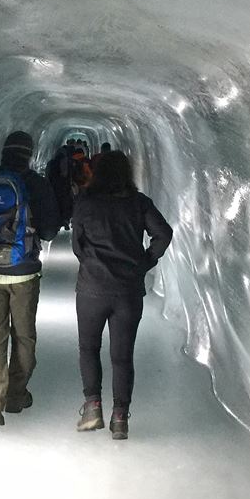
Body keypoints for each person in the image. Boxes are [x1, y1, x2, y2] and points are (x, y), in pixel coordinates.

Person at [71, 151, 172, 439]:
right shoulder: (139, 204)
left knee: (88, 349)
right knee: (122, 357)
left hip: (91, 289)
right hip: (128, 290)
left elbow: (78, 245)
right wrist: (144, 262)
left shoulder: (86, 202)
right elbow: (163, 234)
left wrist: (91, 262)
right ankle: (119, 418)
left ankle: (92, 409)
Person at [0, 131, 60, 426]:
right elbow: (49, 231)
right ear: (29, 154)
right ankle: (16, 396)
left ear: (4, 151)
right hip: (24, 273)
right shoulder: (36, 184)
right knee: (24, 335)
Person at [46, 142, 75, 228]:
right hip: (64, 187)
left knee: (56, 204)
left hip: (54, 187)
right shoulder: (67, 162)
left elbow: (47, 175)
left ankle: (57, 222)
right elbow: (68, 175)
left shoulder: (51, 163)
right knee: (66, 204)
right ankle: (66, 220)